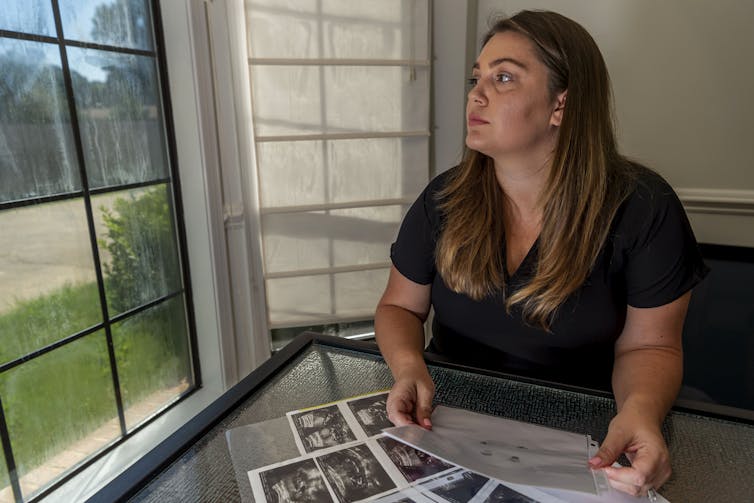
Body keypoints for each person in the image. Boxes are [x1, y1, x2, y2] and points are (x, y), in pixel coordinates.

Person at [374, 9, 708, 498]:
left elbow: (650, 347)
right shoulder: (444, 198)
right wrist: (408, 367)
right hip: (447, 423)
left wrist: (639, 412)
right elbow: (399, 307)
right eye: (476, 78)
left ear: (561, 105)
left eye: (503, 77)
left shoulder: (643, 207)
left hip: (584, 437)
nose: (475, 93)